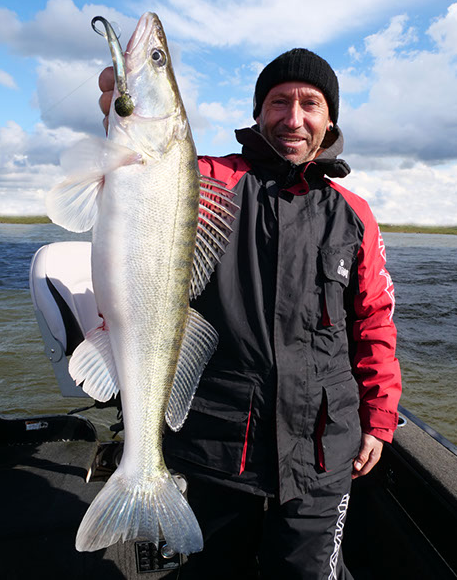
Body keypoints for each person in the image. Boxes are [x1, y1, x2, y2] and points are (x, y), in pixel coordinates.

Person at [98, 48, 402, 579]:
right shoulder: (207, 179)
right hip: (218, 444)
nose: (293, 118)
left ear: (330, 121)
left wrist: (378, 420)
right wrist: (120, 120)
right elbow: (144, 176)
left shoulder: (354, 214)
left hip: (322, 449)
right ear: (258, 111)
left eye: (311, 104)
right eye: (279, 102)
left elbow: (374, 321)